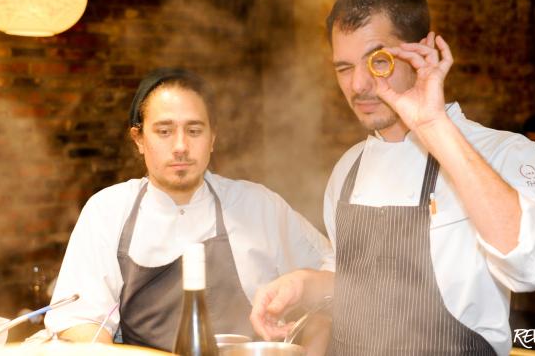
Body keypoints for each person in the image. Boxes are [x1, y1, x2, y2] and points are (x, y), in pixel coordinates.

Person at [250, 0, 535, 356]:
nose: (357, 84)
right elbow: (358, 285)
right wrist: (305, 284)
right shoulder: (349, 167)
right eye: (343, 67)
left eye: (377, 60)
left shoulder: (503, 151)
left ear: (421, 50)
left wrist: (433, 126)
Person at [44, 68, 334, 352]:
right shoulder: (107, 212)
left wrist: (313, 346)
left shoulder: (257, 206)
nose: (181, 146)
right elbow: (80, 322)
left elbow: (335, 278)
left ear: (212, 139)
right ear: (139, 139)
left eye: (194, 130)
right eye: (164, 131)